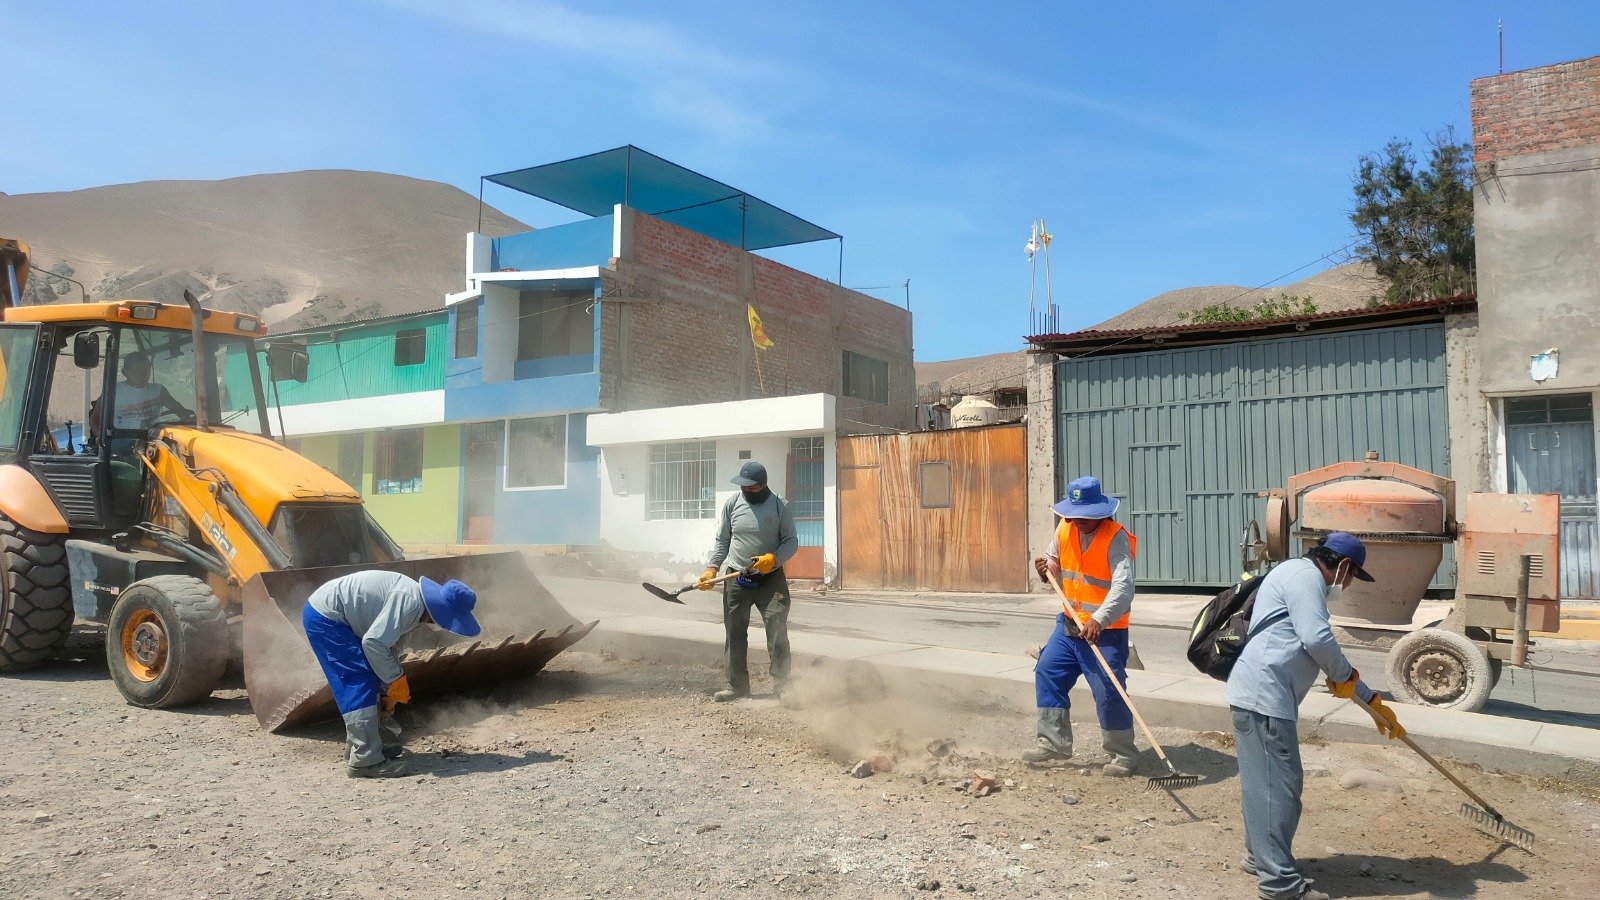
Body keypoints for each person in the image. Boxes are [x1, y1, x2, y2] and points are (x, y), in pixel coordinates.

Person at [1225, 532, 1407, 900]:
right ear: (1342, 565)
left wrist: (1369, 698)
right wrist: (1348, 678)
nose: (1349, 583)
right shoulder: (1306, 577)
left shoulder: (1292, 573)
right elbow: (1317, 639)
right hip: (1265, 697)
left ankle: (1259, 857)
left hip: (1258, 693)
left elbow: (1305, 642)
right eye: (1353, 574)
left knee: (1264, 786)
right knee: (1280, 789)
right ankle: (1279, 884)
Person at [301, 570, 481, 778]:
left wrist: (390, 689)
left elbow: (390, 647)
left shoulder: (416, 607)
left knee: (371, 677)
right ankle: (365, 761)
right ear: (440, 612)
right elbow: (374, 643)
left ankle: (365, 748)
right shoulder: (410, 603)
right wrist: (396, 680)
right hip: (326, 619)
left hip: (336, 617)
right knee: (359, 680)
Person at [1025, 475, 1142, 776]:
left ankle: (1123, 754)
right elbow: (1055, 565)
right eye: (1074, 516)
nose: (1078, 522)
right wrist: (1044, 570)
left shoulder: (1116, 537)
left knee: (1108, 689)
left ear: (1101, 512)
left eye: (1085, 517)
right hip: (1068, 625)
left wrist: (1099, 620)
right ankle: (1054, 744)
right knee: (1048, 670)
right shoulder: (1065, 527)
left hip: (1104, 632)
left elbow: (1124, 588)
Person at [697, 461, 799, 702]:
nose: (745, 490)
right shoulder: (733, 503)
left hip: (770, 579)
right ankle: (737, 686)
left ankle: (783, 685)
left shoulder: (779, 505)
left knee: (777, 628)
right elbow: (723, 540)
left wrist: (773, 559)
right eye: (742, 486)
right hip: (737, 578)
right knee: (734, 631)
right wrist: (712, 569)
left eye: (750, 487)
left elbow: (791, 542)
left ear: (762, 485)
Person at [108, 350, 191, 432]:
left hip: (152, 437)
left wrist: (191, 420)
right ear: (125, 373)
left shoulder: (158, 391)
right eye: (138, 370)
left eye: (146, 369)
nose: (144, 374)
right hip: (122, 439)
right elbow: (96, 419)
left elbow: (181, 411)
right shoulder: (114, 391)